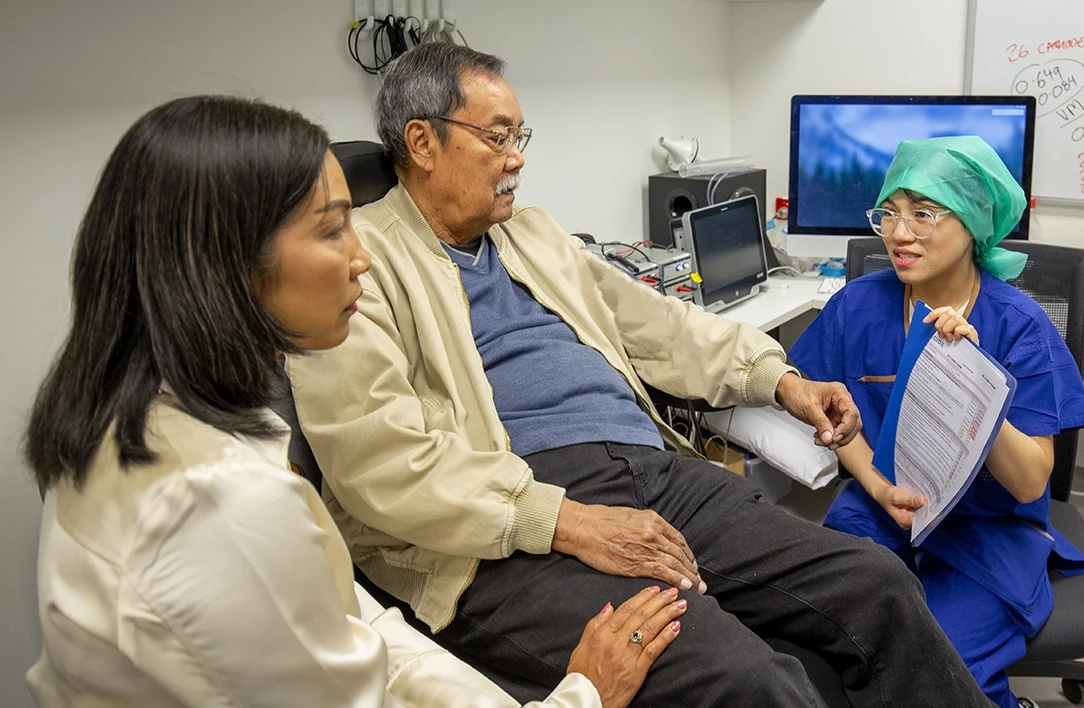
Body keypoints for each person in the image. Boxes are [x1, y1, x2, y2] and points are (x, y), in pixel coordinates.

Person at [285, 42, 994, 708]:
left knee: (878, 585)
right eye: (497, 137)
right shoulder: (358, 265)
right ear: (421, 142)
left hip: (651, 472)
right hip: (507, 519)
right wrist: (563, 518)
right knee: (750, 679)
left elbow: (657, 323)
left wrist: (778, 379)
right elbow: (378, 458)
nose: (515, 161)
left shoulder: (530, 233)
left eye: (519, 139)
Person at [23, 95, 687, 708]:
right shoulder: (219, 502)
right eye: (332, 228)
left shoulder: (139, 422)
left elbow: (348, 627)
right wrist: (582, 696)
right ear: (222, 262)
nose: (361, 258)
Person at [789, 136, 1084, 708]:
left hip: (987, 528)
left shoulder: (1019, 324)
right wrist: (877, 486)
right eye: (890, 213)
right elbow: (839, 418)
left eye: (924, 215)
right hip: (883, 510)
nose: (900, 234)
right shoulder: (857, 305)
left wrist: (972, 380)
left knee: (942, 674)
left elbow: (1031, 481)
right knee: (824, 642)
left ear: (974, 222)